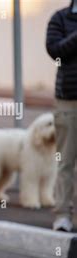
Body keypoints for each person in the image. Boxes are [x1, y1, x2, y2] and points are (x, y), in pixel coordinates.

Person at [46, 0, 77, 233]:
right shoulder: (60, 18)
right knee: (66, 160)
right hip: (68, 98)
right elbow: (55, 51)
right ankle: (63, 215)